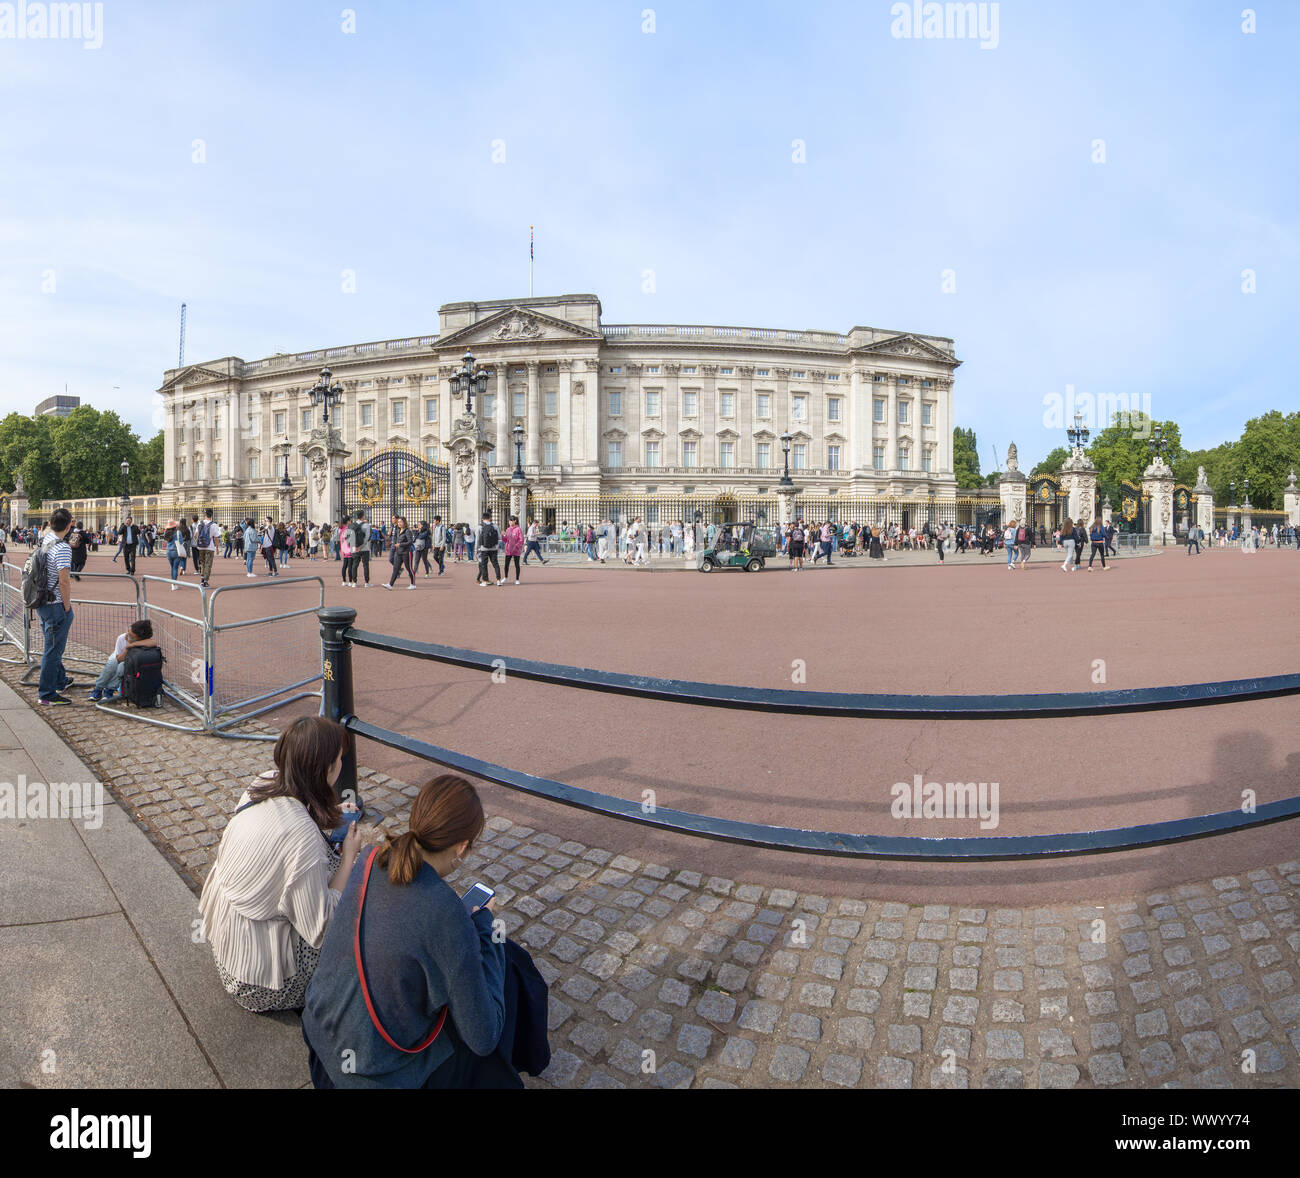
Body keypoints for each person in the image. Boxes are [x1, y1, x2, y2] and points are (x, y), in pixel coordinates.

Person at [304, 773, 543, 1088]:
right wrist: (486, 928)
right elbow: (482, 1038)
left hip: (322, 1043)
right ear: (461, 847)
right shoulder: (447, 914)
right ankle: (529, 1058)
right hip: (368, 1076)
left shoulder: (370, 859)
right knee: (506, 967)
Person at [198, 717, 362, 1013]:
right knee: (358, 896)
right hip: (260, 985)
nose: (341, 766)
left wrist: (330, 814)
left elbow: (280, 834)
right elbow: (323, 928)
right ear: (326, 769)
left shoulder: (263, 782)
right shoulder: (301, 836)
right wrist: (350, 857)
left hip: (231, 954)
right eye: (338, 760)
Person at [34, 508, 75, 705]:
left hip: (42, 601)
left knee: (52, 645)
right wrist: (67, 607)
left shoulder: (44, 540)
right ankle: (47, 693)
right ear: (68, 526)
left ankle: (60, 679)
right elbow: (64, 580)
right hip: (55, 604)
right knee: (53, 650)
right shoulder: (63, 547)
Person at [88, 618, 159, 701]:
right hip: (119, 656)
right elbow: (119, 659)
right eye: (129, 633)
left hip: (131, 661)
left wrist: (132, 644)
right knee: (112, 664)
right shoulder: (121, 638)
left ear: (139, 638)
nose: (128, 636)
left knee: (121, 668)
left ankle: (110, 689)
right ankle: (98, 688)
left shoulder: (144, 640)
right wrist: (127, 647)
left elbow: (153, 643)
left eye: (132, 636)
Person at [384, 516, 416, 589]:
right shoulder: (398, 531)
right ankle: (390, 584)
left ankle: (413, 584)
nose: (399, 523)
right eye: (398, 522)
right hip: (398, 552)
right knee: (396, 568)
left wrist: (400, 544)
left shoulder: (407, 531)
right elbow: (395, 538)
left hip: (407, 552)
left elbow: (410, 542)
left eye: (401, 522)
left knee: (409, 568)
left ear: (404, 523)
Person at [476, 511, 502, 586]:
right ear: (490, 518)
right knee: (495, 564)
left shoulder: (479, 526)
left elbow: (477, 539)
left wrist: (476, 549)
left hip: (484, 548)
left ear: (482, 519)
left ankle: (485, 581)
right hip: (493, 548)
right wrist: (497, 547)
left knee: (484, 565)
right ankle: (498, 580)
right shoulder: (495, 526)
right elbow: (499, 538)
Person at [196, 507, 219, 588]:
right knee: (208, 564)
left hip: (201, 546)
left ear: (204, 514)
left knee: (202, 563)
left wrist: (198, 541)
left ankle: (202, 580)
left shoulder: (200, 523)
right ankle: (205, 582)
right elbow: (216, 537)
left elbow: (196, 535)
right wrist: (217, 548)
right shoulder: (214, 525)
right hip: (210, 547)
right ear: (212, 515)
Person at [164, 518, 188, 588]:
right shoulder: (178, 532)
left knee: (172, 568)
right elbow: (180, 542)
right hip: (176, 551)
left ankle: (173, 582)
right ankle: (174, 584)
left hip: (168, 551)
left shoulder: (166, 532)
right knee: (175, 568)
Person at [501, 515, 524, 583]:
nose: (510, 522)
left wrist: (517, 546)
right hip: (508, 550)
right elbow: (506, 540)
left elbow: (521, 539)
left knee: (517, 565)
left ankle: (517, 579)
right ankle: (505, 577)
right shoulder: (508, 529)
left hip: (516, 550)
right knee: (506, 565)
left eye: (511, 520)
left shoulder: (518, 529)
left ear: (515, 521)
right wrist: (503, 536)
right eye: (509, 521)